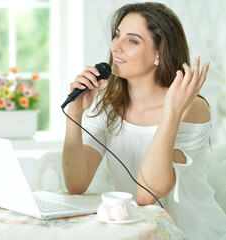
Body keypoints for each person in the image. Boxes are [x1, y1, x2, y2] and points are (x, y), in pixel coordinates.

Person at [62, 2, 226, 239]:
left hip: (193, 233)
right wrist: (75, 114)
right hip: (141, 233)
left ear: (159, 54)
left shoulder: (190, 107)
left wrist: (171, 113)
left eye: (132, 41)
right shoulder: (107, 103)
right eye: (117, 35)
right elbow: (76, 184)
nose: (115, 47)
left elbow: (146, 195)